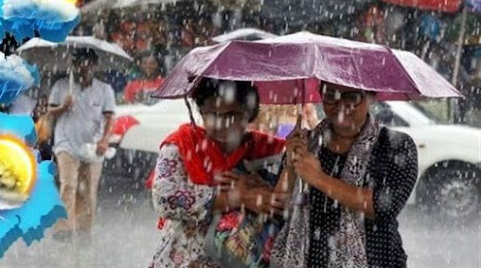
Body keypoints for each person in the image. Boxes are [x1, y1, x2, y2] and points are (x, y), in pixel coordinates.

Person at [270, 82, 419, 268]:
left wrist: (317, 178)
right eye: (330, 95)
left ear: (371, 97)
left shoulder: (395, 146)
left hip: (375, 260)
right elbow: (277, 207)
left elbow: (381, 207)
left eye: (352, 97)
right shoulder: (306, 143)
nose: (340, 104)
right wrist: (291, 166)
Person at [148, 78, 289, 267]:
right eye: (212, 114)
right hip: (185, 258)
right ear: (200, 112)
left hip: (238, 260)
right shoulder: (182, 145)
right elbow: (165, 199)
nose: (222, 124)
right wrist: (237, 198)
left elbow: (286, 199)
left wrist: (261, 187)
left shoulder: (264, 150)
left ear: (249, 113)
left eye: (232, 114)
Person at [48, 48, 116, 240]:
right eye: (80, 63)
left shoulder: (105, 90)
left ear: (94, 66)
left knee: (87, 190)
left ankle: (84, 229)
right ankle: (63, 228)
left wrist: (105, 140)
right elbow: (50, 111)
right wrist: (63, 106)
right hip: (66, 143)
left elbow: (110, 118)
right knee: (68, 185)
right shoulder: (62, 86)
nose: (84, 68)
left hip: (93, 146)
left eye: (88, 63)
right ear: (74, 65)